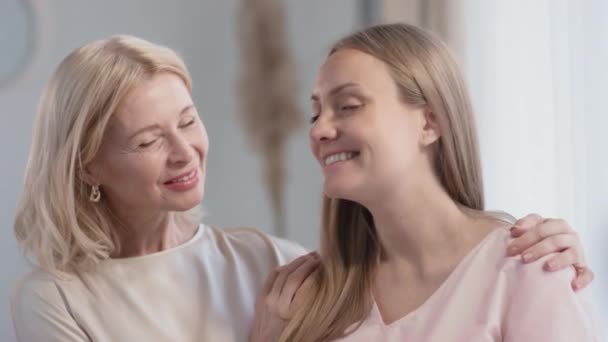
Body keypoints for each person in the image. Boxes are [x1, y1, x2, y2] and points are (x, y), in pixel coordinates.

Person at [11, 35, 592, 342]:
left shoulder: (282, 269)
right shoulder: (54, 301)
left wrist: (549, 253)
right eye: (146, 141)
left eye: (188, 121)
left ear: (430, 121)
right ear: (85, 166)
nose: (318, 130)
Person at [253, 23, 600, 342]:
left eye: (347, 106)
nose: (318, 130)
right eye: (316, 113)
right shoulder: (311, 298)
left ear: (430, 122)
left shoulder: (528, 267)